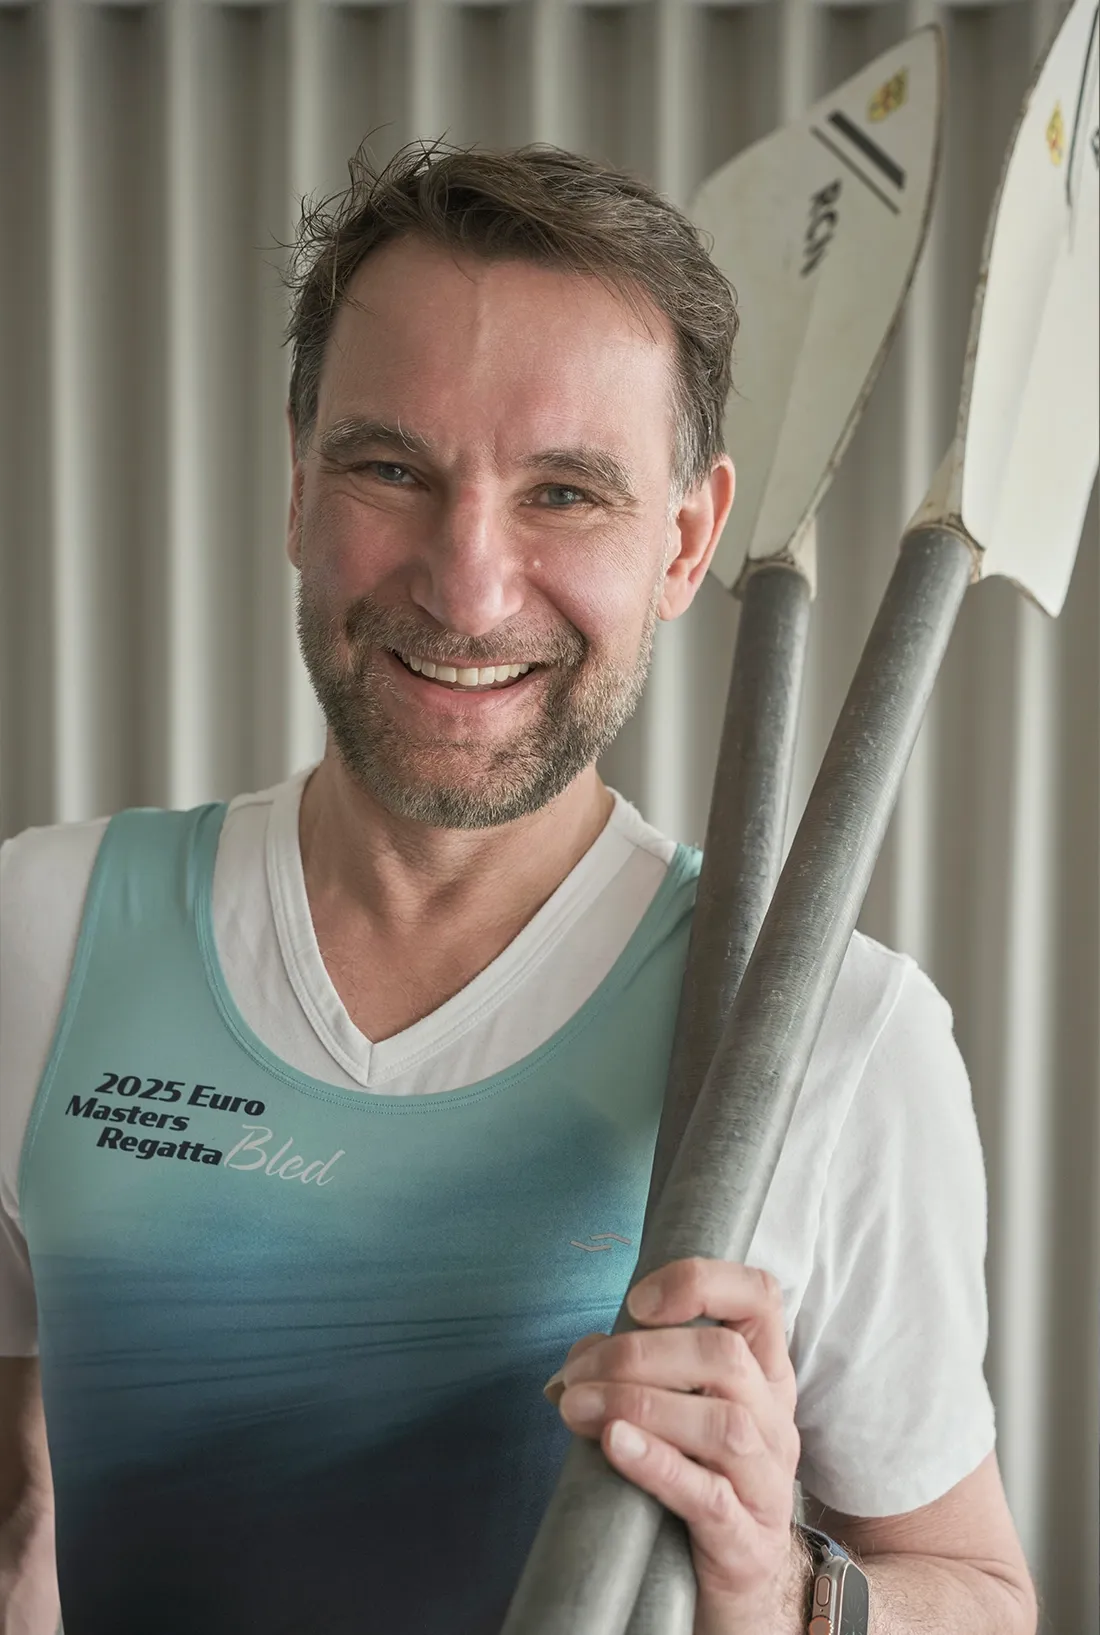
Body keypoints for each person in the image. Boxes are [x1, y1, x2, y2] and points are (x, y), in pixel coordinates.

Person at [0, 143, 1036, 1635]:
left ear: (686, 541)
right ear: (298, 484)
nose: (469, 584)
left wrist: (781, 1584)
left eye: (564, 492)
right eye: (391, 468)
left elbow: (987, 1592)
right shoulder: (42, 934)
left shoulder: (835, 1035)